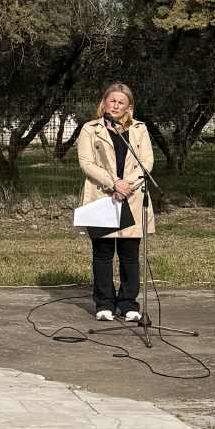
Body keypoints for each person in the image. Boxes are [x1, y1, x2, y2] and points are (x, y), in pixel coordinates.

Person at [77, 81, 156, 323]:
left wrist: (127, 185)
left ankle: (128, 304)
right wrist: (114, 184)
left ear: (129, 107)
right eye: (112, 100)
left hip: (132, 197)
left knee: (129, 254)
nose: (116, 105)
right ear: (104, 103)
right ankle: (104, 304)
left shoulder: (140, 129)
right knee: (103, 254)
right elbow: (86, 163)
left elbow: (147, 162)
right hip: (102, 196)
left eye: (121, 102)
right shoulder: (90, 129)